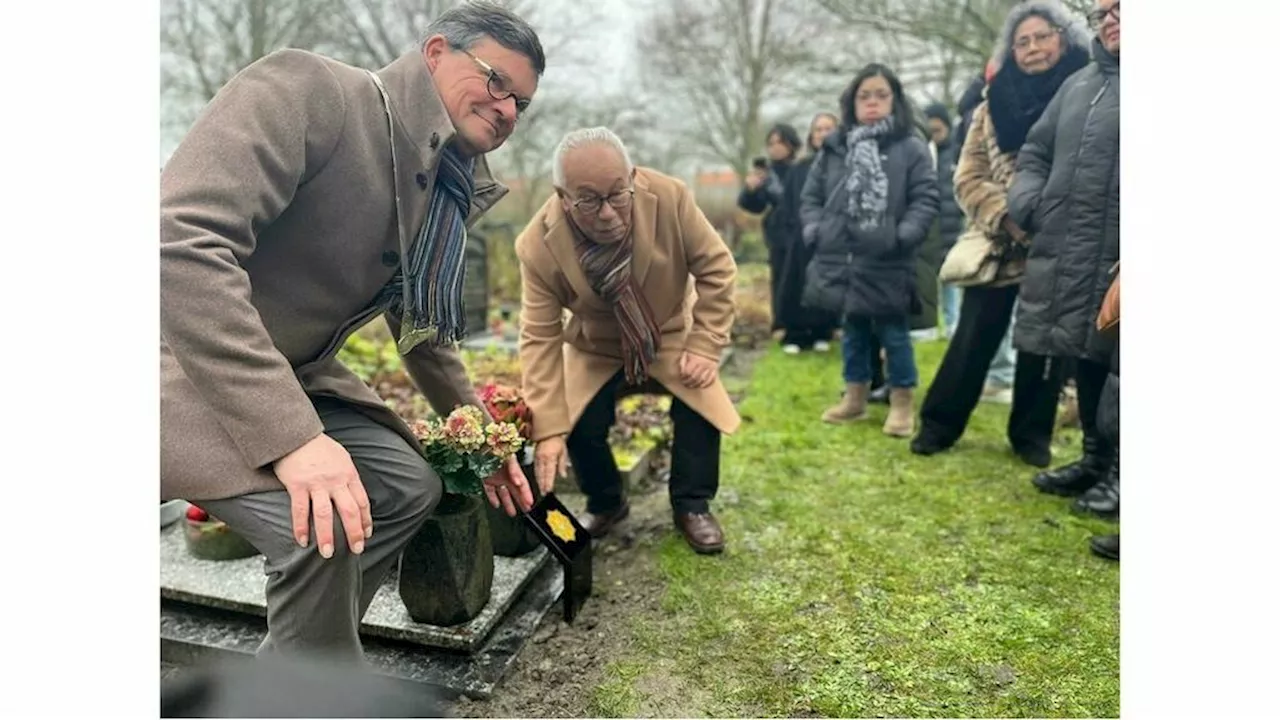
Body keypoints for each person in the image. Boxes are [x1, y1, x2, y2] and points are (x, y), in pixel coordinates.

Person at [160, 1, 543, 659]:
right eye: (497, 81)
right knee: (323, 532)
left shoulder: (437, 183)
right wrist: (293, 437)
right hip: (182, 365)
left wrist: (480, 432)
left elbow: (420, 325)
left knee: (406, 486)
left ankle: (305, 656)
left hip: (294, 375)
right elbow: (179, 242)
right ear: (435, 53)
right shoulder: (308, 89)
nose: (508, 110)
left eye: (522, 104)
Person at [515, 127, 740, 555]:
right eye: (588, 199)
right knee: (575, 418)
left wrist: (705, 344)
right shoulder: (536, 245)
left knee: (700, 405)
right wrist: (547, 428)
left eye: (618, 194)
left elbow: (718, 269)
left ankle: (692, 505)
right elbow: (539, 335)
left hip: (669, 334)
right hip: (595, 346)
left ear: (633, 178)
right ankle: (608, 502)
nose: (606, 213)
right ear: (561, 195)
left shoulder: (671, 199)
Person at [911, 0, 1092, 468]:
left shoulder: (1089, 94)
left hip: (1060, 245)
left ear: (1063, 37)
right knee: (973, 336)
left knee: (1041, 346)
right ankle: (939, 424)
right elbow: (967, 176)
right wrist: (1005, 217)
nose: (1032, 48)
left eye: (1042, 37)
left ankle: (1031, 436)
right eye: (1022, 41)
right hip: (1000, 242)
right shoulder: (991, 104)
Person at [1008, 0, 1119, 511]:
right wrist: (1030, 204)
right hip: (1072, 243)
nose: (1110, 19)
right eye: (1102, 13)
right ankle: (1096, 460)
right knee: (1088, 351)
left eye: (1122, 8)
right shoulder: (1080, 85)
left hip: (1120, 250)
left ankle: (1123, 472)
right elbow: (1034, 152)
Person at [800, 63, 940, 437]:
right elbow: (811, 196)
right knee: (853, 333)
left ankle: (902, 404)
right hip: (842, 258)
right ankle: (855, 399)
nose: (873, 102)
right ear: (852, 102)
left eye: (882, 95)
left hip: (888, 258)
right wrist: (816, 230)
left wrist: (902, 235)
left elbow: (926, 197)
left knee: (894, 334)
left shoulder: (910, 146)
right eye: (865, 96)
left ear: (895, 100)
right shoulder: (835, 147)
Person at [738, 123, 831, 354]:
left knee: (811, 281)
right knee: (783, 282)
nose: (775, 148)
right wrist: (750, 189)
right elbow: (754, 205)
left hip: (806, 232)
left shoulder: (803, 167)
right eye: (771, 143)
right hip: (780, 236)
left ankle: (820, 329)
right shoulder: (768, 174)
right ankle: (787, 328)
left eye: (780, 142)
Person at [923, 102, 966, 339]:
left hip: (951, 227)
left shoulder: (956, 154)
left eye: (938, 130)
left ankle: (952, 323)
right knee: (929, 278)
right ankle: (929, 324)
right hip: (929, 229)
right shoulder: (922, 154)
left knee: (951, 279)